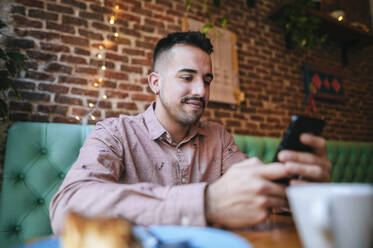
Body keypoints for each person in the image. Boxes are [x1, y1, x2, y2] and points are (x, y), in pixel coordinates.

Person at [49, 31, 331, 233]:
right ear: (155, 83)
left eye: (207, 80)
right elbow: (68, 206)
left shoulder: (219, 137)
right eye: (187, 77)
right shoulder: (114, 133)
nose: (201, 91)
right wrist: (206, 203)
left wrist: (299, 189)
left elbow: (255, 193)